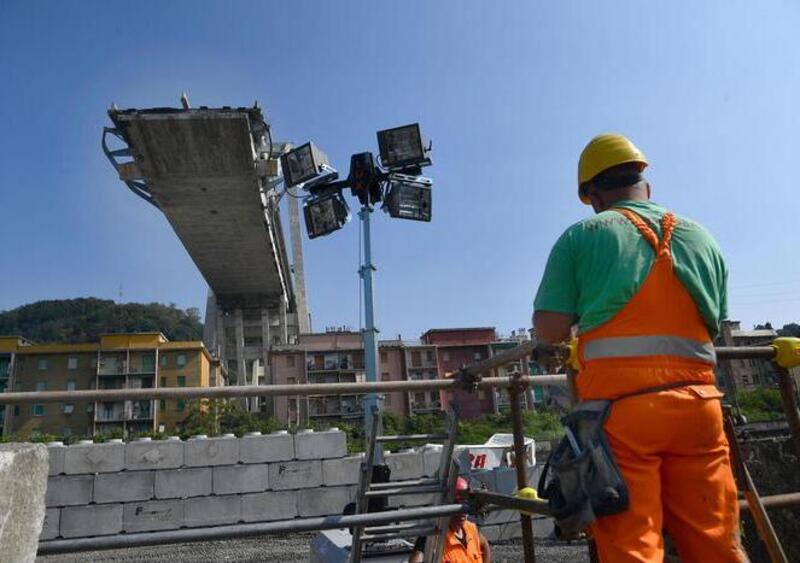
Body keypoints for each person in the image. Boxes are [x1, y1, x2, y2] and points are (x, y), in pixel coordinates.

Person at [533, 134, 746, 562]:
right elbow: (716, 322)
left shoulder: (582, 236)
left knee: (632, 547)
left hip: (623, 418)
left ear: (592, 195)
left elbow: (550, 330)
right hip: (700, 411)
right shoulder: (704, 239)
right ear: (644, 185)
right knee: (716, 542)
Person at [407, 477, 492, 563]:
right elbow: (417, 556)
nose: (462, 512)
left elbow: (485, 545)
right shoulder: (436, 535)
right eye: (457, 505)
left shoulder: (471, 529)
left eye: (465, 504)